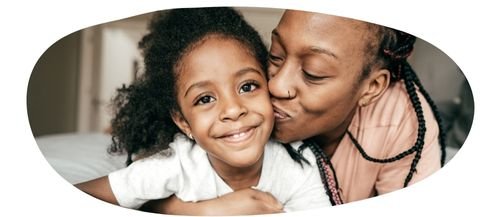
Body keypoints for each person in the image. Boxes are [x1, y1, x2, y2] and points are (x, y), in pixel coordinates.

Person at [145, 9, 446, 215]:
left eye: (314, 73)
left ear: (371, 88)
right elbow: (138, 189)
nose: (277, 85)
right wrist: (203, 210)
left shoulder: (404, 126)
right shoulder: (233, 99)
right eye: (275, 55)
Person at [74, 7, 330, 213]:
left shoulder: (299, 167)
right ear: (183, 121)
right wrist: (203, 212)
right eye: (205, 98)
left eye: (248, 86)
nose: (233, 109)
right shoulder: (176, 165)